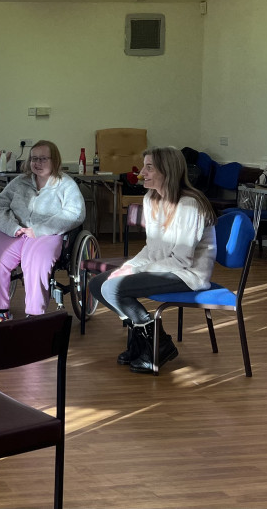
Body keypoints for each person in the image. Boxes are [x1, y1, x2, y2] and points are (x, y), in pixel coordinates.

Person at [88, 146, 217, 374]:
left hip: (187, 274)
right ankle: (145, 341)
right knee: (98, 284)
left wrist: (136, 272)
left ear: (168, 170)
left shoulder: (189, 205)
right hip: (165, 267)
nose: (141, 174)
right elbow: (152, 248)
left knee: (115, 288)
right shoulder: (151, 199)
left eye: (149, 168)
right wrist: (128, 268)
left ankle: (159, 343)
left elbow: (182, 260)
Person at [0, 140, 85, 322]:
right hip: (14, 231)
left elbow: (75, 213)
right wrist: (12, 227)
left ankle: (34, 313)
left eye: (43, 159)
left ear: (55, 160)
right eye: (34, 159)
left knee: (37, 261)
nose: (37, 163)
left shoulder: (66, 184)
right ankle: (1, 310)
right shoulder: (19, 182)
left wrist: (40, 229)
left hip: (46, 233)